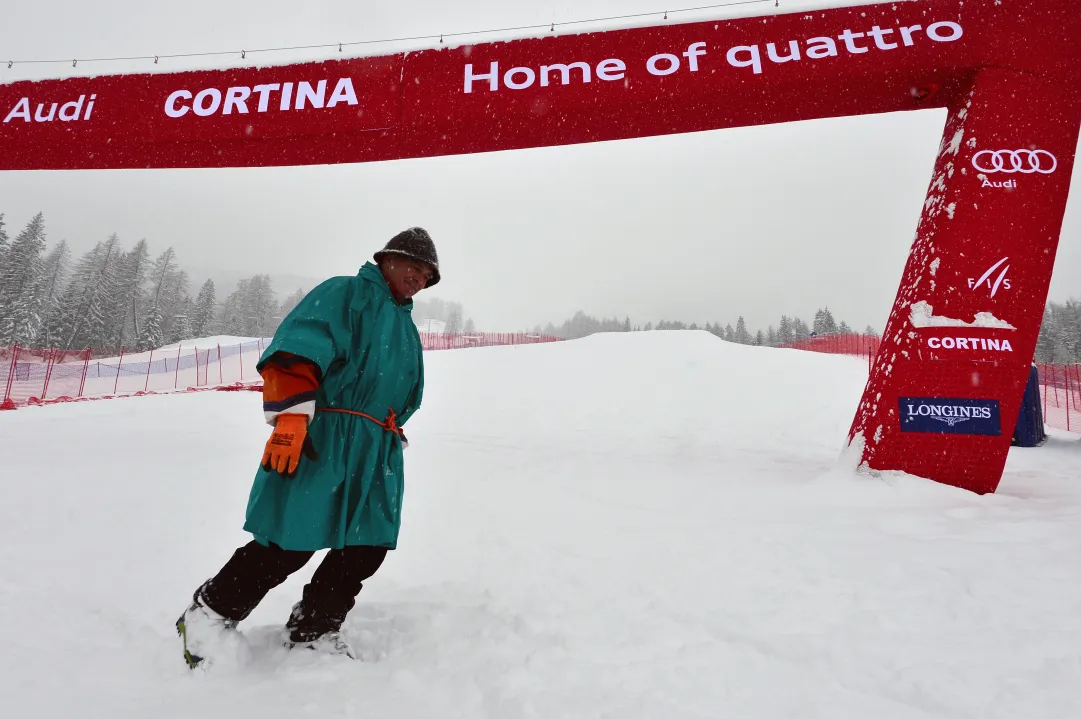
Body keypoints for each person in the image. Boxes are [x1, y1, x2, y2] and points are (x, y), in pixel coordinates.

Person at [176, 227, 440, 668]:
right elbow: (299, 347)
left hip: (376, 451)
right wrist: (293, 416)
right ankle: (207, 614)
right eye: (412, 267)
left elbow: (403, 393)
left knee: (366, 545)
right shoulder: (346, 294)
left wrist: (390, 431)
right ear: (386, 260)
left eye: (426, 275)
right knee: (289, 540)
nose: (418, 278)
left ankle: (314, 629)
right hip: (325, 437)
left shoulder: (406, 327)